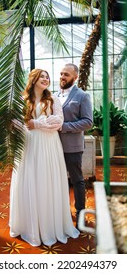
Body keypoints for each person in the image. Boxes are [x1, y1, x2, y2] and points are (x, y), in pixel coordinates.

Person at [9, 68, 80, 246]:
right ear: (33, 79)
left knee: (47, 180)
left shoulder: (53, 99)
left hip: (49, 145)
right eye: (42, 76)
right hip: (29, 144)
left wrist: (37, 124)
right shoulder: (23, 99)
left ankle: (50, 224)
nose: (46, 79)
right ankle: (30, 225)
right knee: (31, 180)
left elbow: (59, 121)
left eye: (48, 77)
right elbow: (15, 122)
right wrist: (28, 124)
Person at [57, 63, 93, 228]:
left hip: (72, 147)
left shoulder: (82, 96)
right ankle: (62, 211)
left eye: (66, 75)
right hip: (54, 146)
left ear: (75, 77)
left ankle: (80, 212)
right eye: (61, 74)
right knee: (58, 180)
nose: (62, 77)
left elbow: (88, 122)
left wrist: (64, 128)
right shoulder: (54, 95)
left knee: (77, 180)